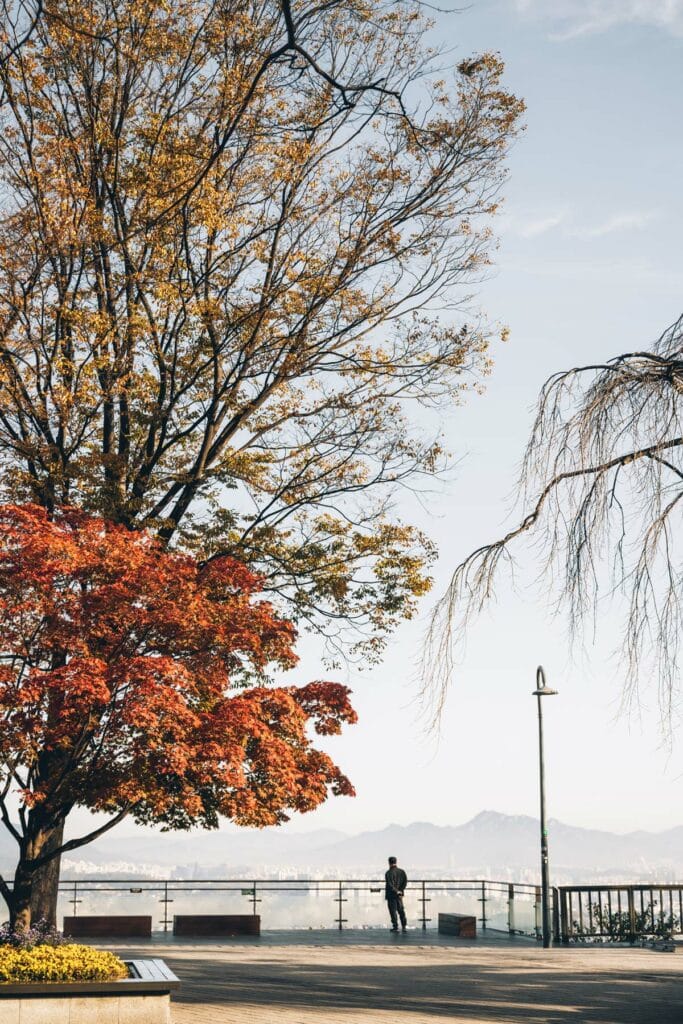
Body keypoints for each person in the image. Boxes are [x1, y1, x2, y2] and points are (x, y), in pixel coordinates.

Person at [385, 856, 407, 932]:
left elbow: (390, 885)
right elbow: (405, 882)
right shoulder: (402, 872)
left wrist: (395, 890)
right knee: (401, 911)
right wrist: (400, 890)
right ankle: (404, 926)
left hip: (391, 895)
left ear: (389, 863)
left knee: (393, 911)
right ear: (396, 862)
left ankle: (395, 927)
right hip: (399, 895)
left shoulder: (388, 873)